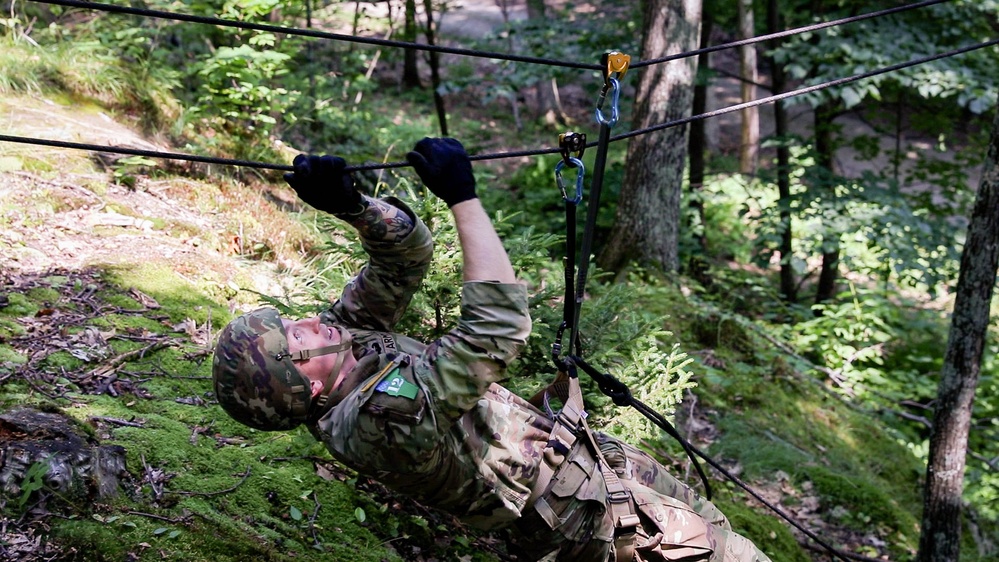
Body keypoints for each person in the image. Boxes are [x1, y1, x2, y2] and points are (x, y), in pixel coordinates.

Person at [212, 137, 771, 562]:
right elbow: (496, 328)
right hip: (590, 515)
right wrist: (463, 198)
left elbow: (403, 259)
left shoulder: (343, 348)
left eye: (295, 322)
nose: (312, 321)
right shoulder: (374, 423)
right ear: (307, 384)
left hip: (594, 460)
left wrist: (353, 206)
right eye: (297, 338)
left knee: (729, 534)